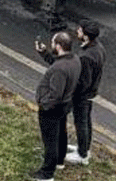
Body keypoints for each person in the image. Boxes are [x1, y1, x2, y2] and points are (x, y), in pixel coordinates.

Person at [41, 21, 104, 167]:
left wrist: (70, 93)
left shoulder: (86, 57)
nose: (77, 32)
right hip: (91, 92)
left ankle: (82, 155)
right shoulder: (98, 48)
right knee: (86, 121)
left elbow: (82, 81)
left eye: (80, 31)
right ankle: (84, 149)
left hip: (82, 95)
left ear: (86, 36)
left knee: (81, 122)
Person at [32, 32, 82, 181]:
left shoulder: (59, 69)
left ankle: (47, 174)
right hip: (65, 105)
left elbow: (55, 94)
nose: (51, 45)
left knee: (50, 141)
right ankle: (60, 160)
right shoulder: (74, 60)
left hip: (52, 109)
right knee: (61, 133)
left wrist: (43, 103)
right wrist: (44, 53)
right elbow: (57, 62)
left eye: (53, 43)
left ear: (59, 46)